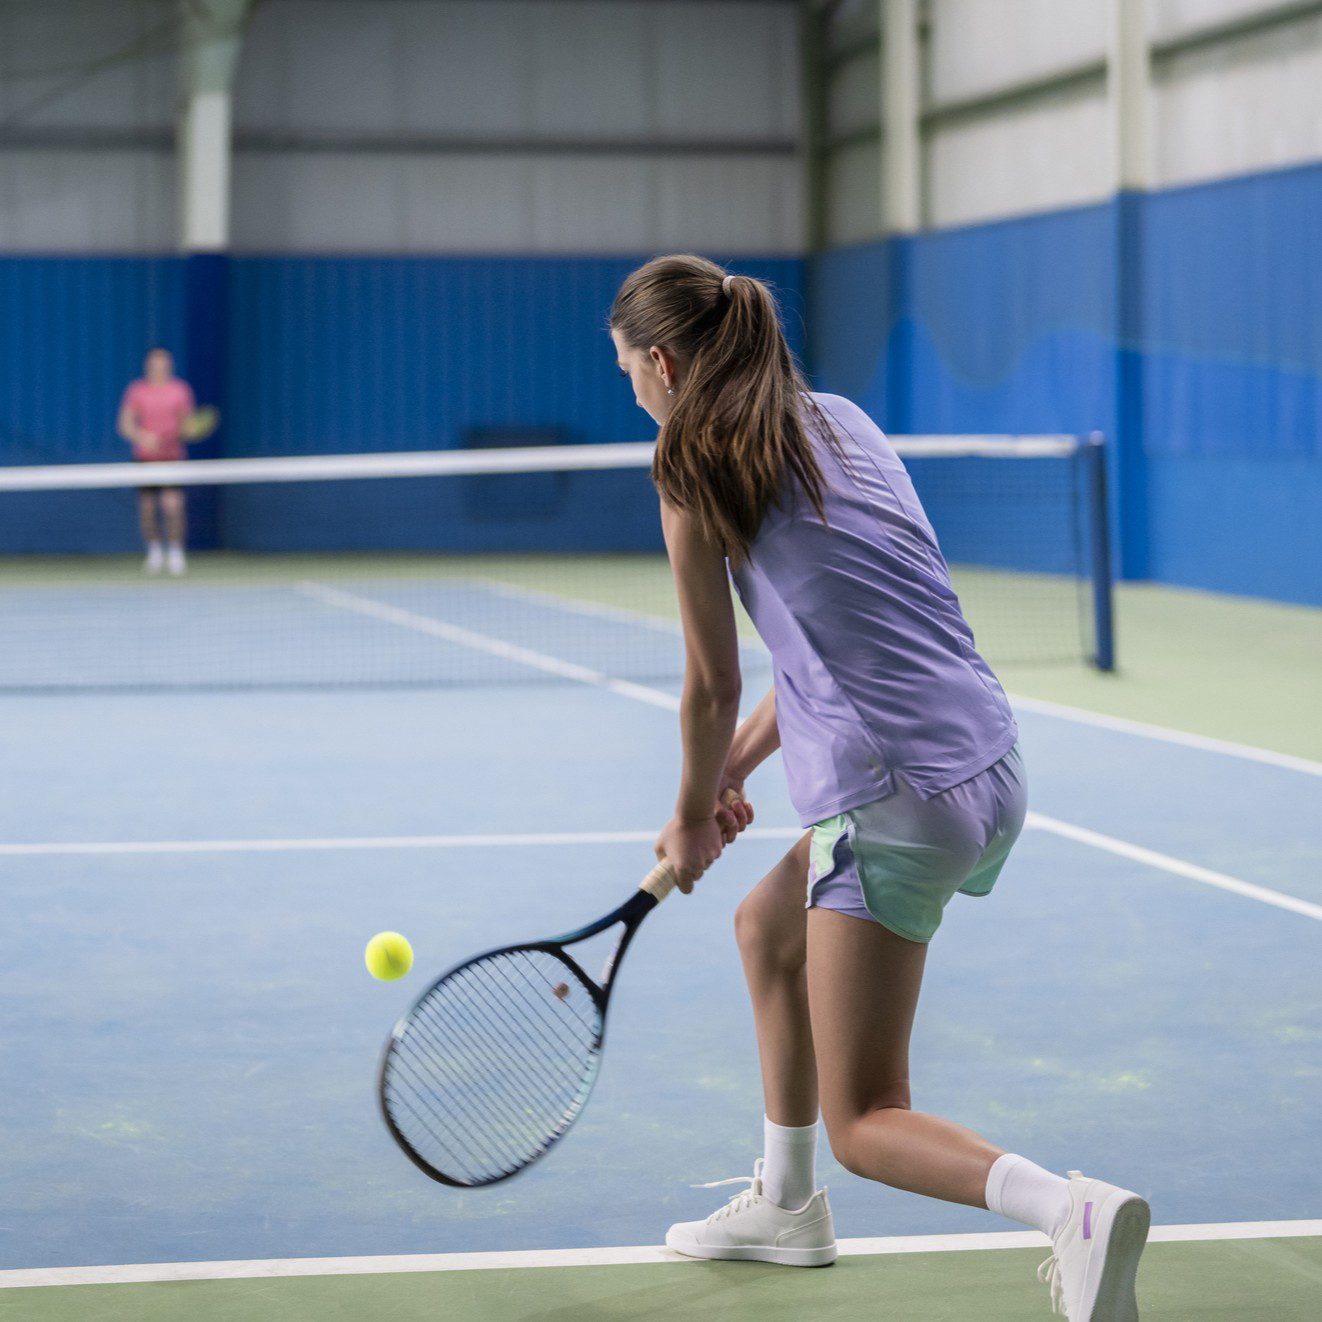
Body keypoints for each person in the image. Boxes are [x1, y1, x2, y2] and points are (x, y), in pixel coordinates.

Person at [610, 255, 1149, 1321]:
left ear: (662, 364)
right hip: (987, 764)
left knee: (865, 1114)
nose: (629, 384)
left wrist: (685, 813)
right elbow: (842, 641)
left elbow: (712, 682)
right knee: (769, 927)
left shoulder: (687, 462)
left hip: (894, 800)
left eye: (626, 366)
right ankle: (784, 1203)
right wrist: (732, 773)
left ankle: (1066, 1209)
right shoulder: (839, 422)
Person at [117, 347, 195, 575]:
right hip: (144, 459)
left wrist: (186, 432)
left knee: (173, 505)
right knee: (148, 509)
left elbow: (187, 426)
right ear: (148, 365)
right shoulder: (136, 390)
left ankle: (175, 552)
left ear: (169, 365)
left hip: (172, 458)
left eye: (164, 362)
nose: (159, 366)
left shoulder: (180, 390)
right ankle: (154, 551)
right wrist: (143, 437)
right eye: (155, 362)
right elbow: (125, 424)